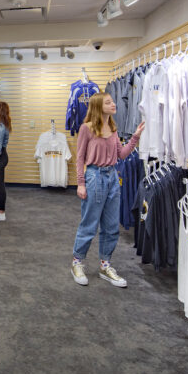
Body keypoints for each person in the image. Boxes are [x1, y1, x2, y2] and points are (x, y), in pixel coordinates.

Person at [71, 93, 145, 288]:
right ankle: (77, 263)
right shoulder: (86, 129)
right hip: (94, 177)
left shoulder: (113, 128)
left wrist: (135, 137)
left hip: (112, 177)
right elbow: (80, 158)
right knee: (89, 224)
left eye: (112, 101)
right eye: (108, 102)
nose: (114, 104)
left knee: (111, 226)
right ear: (97, 106)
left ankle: (105, 265)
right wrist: (80, 183)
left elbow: (121, 155)